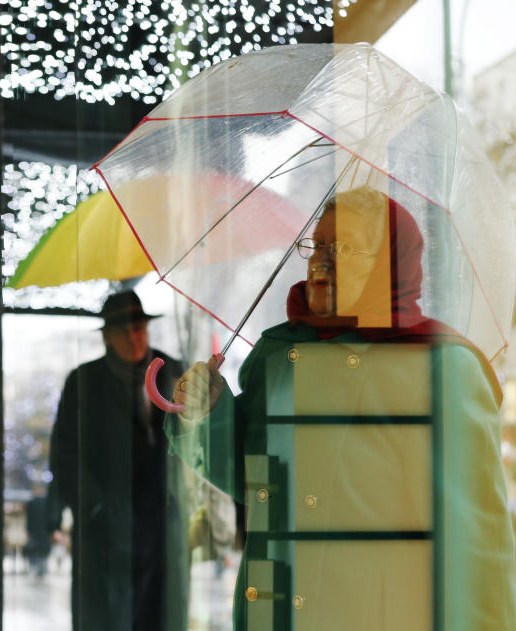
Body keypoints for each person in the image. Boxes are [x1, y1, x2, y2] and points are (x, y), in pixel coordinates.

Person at [170, 186, 516, 631]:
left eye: (346, 247)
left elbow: (472, 545)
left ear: (390, 262)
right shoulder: (278, 354)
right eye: (317, 245)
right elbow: (257, 483)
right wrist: (206, 413)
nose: (321, 261)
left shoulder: (441, 366)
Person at [48, 290, 191, 631]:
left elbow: (194, 442)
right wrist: (97, 508)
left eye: (139, 327)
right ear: (107, 337)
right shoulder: (84, 381)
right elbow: (64, 456)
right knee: (106, 618)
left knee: (159, 615)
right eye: (123, 330)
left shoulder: (172, 372)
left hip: (161, 527)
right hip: (106, 534)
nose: (133, 336)